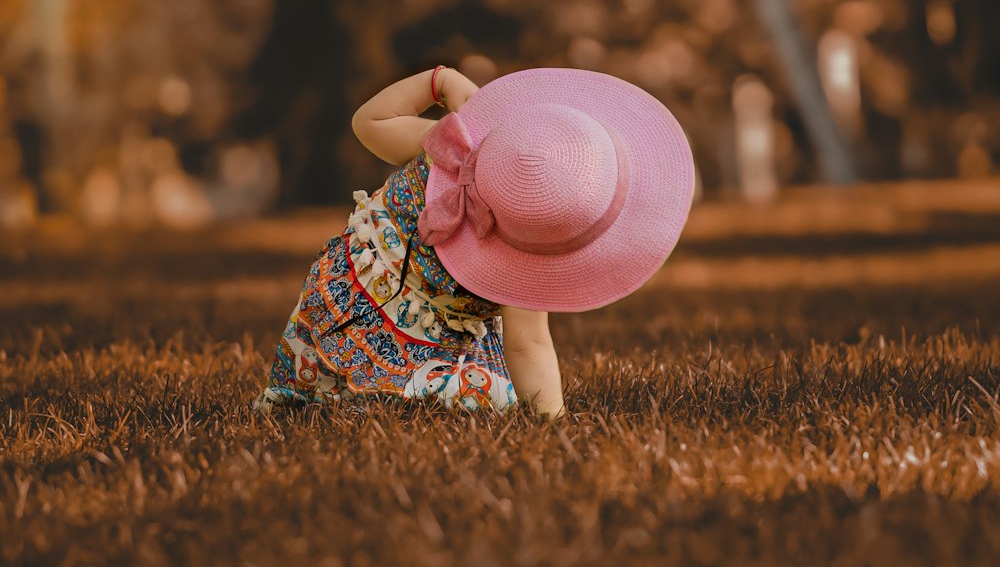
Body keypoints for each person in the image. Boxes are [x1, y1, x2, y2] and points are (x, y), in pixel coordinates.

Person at [255, 64, 695, 420]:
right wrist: (554, 423)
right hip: (414, 353)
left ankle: (320, 389)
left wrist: (439, 81)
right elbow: (528, 346)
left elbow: (368, 121)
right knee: (493, 399)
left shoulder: (451, 147)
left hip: (333, 314)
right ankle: (389, 393)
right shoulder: (522, 249)